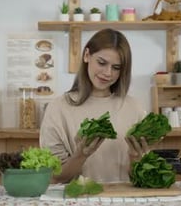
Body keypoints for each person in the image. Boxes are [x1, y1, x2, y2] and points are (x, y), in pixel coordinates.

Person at [40, 28, 152, 184]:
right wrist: (80, 156)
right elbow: (55, 177)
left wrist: (135, 158)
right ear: (87, 55)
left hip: (125, 201)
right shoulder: (58, 108)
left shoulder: (135, 108)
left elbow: (140, 179)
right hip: (74, 203)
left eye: (116, 68)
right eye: (102, 63)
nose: (108, 73)